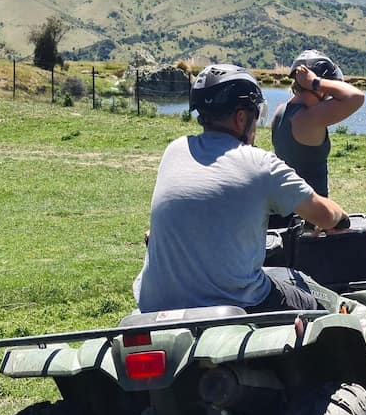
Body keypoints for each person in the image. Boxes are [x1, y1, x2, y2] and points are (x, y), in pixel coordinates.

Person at [133, 64, 350, 314]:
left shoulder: (175, 150)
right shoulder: (259, 163)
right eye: (256, 114)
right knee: (317, 307)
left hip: (154, 305)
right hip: (237, 302)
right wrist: (340, 218)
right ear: (241, 117)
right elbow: (324, 215)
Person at [270, 50, 365, 196]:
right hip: (311, 213)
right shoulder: (307, 118)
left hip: (285, 206)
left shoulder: (280, 111)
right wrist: (315, 82)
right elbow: (356, 97)